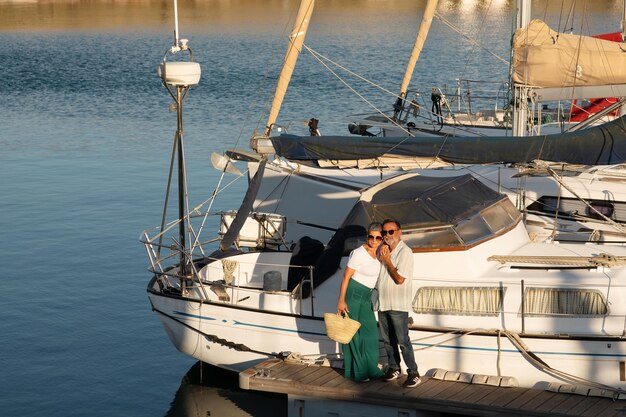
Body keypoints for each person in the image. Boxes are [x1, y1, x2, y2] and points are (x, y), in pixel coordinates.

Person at [336, 222, 385, 382]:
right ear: (367, 236)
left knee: (370, 332)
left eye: (378, 237)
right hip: (353, 293)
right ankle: (359, 372)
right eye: (371, 236)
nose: (374, 240)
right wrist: (341, 301)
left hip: (366, 296)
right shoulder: (358, 253)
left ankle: (372, 368)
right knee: (353, 334)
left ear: (382, 238)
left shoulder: (379, 253)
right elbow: (346, 277)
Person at [377, 219, 420, 388]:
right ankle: (394, 367)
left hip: (397, 304)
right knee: (387, 340)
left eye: (391, 232)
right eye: (384, 233)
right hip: (383, 303)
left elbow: (400, 279)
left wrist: (387, 260)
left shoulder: (405, 252)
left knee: (403, 341)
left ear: (399, 232)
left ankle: (414, 372)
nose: (387, 236)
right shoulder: (384, 250)